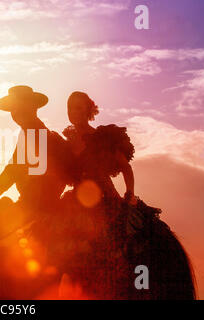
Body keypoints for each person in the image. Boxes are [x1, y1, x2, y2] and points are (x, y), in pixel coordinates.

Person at [51, 91, 161, 298]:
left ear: (88, 111)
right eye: (69, 108)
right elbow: (63, 177)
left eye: (78, 108)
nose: (73, 112)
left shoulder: (102, 137)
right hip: (77, 200)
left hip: (104, 198)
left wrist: (130, 195)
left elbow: (125, 168)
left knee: (111, 246)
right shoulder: (67, 142)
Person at [0, 85, 68, 298]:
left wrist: (34, 207)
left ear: (32, 108)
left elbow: (31, 174)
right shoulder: (31, 133)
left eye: (19, 108)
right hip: (32, 203)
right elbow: (13, 169)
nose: (15, 114)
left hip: (35, 206)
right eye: (13, 110)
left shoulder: (37, 134)